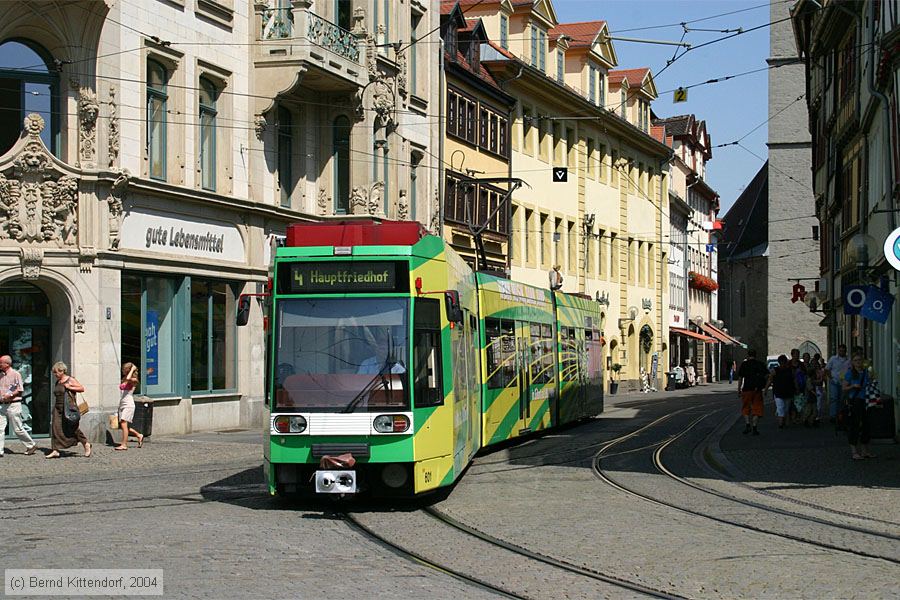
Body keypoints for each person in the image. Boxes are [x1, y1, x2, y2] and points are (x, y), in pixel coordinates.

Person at [46, 361, 91, 459]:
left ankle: (86, 443)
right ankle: (55, 450)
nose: (55, 374)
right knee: (55, 428)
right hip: (58, 408)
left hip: (69, 408)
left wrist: (70, 387)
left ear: (62, 371)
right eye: (54, 372)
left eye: (56, 372)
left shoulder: (70, 380)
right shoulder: (58, 382)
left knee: (73, 428)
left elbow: (81, 388)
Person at [0, 355, 37, 457]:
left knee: (17, 428)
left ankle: (31, 445)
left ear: (7, 364)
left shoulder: (16, 374)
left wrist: (9, 395)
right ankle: (0, 451)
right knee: (0, 428)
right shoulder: (1, 376)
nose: (0, 364)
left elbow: (20, 389)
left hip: (13, 405)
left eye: (1, 363)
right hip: (2, 405)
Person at [843, 353, 875, 460]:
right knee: (855, 425)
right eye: (856, 360)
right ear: (852, 362)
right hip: (856, 401)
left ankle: (865, 451)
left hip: (867, 400)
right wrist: (853, 386)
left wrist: (871, 380)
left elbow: (871, 384)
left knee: (867, 425)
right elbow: (844, 387)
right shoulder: (850, 373)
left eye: (860, 360)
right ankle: (854, 452)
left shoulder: (866, 372)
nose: (858, 362)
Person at [737, 349, 767, 435]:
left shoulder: (744, 364)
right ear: (755, 355)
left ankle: (747, 424)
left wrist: (739, 389)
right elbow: (767, 375)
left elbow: (740, 378)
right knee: (757, 408)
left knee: (746, 407)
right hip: (757, 390)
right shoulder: (760, 364)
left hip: (746, 389)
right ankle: (754, 427)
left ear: (748, 355)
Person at [115, 363, 144, 450]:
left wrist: (132, 369)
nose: (123, 371)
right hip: (122, 403)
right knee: (122, 425)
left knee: (124, 423)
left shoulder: (134, 380)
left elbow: (128, 379)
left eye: (124, 369)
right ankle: (139, 435)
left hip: (129, 404)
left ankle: (124, 444)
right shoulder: (125, 378)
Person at [825, 344, 850, 421]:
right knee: (834, 398)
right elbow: (827, 369)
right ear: (838, 351)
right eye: (840, 350)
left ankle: (840, 415)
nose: (842, 352)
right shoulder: (833, 359)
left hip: (844, 382)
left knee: (842, 399)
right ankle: (833, 415)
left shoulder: (848, 360)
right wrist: (831, 378)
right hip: (834, 381)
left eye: (843, 351)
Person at [771, 355, 795, 429]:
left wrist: (796, 388)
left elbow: (794, 380)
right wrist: (765, 389)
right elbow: (770, 379)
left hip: (787, 392)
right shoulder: (775, 370)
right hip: (779, 392)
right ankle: (781, 424)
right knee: (781, 408)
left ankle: (783, 422)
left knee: (786, 409)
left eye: (784, 362)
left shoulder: (790, 370)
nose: (783, 364)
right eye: (782, 362)